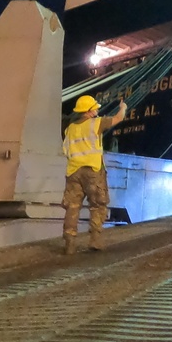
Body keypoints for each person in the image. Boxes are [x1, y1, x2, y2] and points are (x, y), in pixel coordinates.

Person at [61, 95, 126, 255]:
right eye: (95, 108)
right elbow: (118, 118)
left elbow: (67, 150)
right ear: (88, 112)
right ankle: (95, 239)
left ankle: (69, 243)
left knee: (72, 207)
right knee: (98, 205)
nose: (97, 110)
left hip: (73, 172)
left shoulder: (69, 129)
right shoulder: (96, 123)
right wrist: (123, 108)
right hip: (93, 170)